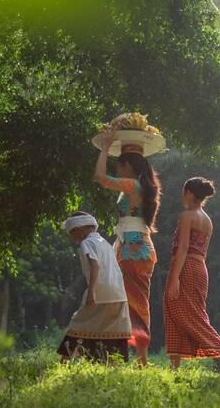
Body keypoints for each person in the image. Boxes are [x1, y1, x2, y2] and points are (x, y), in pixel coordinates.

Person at [94, 129, 161, 366]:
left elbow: (100, 178)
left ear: (128, 166)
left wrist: (104, 148)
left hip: (134, 250)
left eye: (119, 165)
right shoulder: (139, 186)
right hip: (134, 248)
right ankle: (135, 357)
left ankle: (136, 358)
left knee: (129, 303)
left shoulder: (133, 185)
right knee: (133, 303)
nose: (117, 171)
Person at [165, 177, 220, 372]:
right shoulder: (207, 219)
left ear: (189, 192)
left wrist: (174, 279)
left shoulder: (188, 215)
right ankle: (174, 366)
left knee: (187, 314)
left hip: (186, 266)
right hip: (200, 269)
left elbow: (182, 248)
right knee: (179, 313)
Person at [57, 212, 132, 362]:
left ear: (81, 228)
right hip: (118, 293)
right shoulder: (104, 243)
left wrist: (91, 291)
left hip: (100, 291)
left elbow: (95, 265)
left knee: (78, 324)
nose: (73, 237)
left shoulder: (87, 243)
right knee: (111, 329)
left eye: (73, 232)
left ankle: (64, 362)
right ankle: (110, 364)